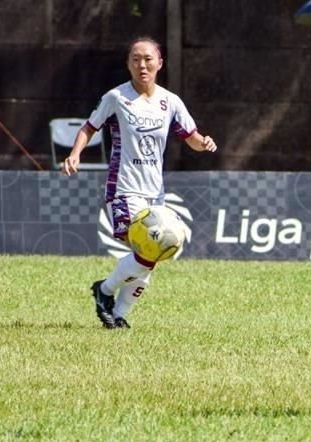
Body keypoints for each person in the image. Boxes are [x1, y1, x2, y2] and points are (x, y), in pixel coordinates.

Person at [62, 37, 216, 330]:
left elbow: (191, 137)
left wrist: (204, 142)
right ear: (128, 64)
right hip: (123, 189)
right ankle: (105, 291)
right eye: (135, 59)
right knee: (147, 251)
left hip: (154, 194)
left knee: (150, 254)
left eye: (147, 58)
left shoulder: (170, 102)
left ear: (160, 62)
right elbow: (89, 127)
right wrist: (74, 154)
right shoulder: (116, 98)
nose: (141, 64)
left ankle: (118, 314)